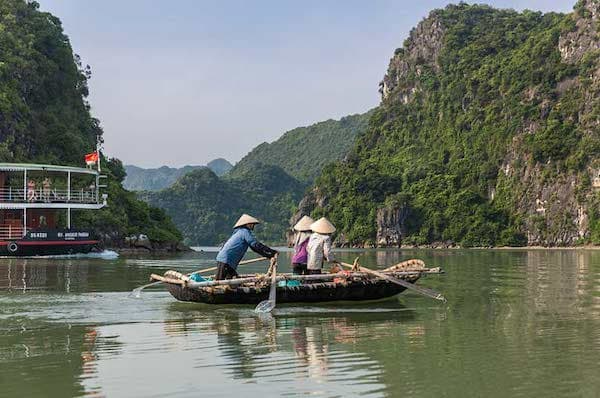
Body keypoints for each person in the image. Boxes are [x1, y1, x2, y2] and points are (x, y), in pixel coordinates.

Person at [215, 214, 278, 280]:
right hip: (225, 260)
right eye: (252, 224)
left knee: (232, 282)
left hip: (227, 262)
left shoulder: (240, 232)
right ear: (248, 224)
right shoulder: (244, 232)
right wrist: (272, 251)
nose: (253, 226)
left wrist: (269, 255)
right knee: (220, 283)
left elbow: (254, 248)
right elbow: (256, 245)